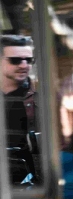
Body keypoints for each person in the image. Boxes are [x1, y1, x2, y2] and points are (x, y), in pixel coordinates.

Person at [1, 34, 39, 183]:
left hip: (30, 186)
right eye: (15, 60)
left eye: (28, 60)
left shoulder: (41, 98)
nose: (24, 65)